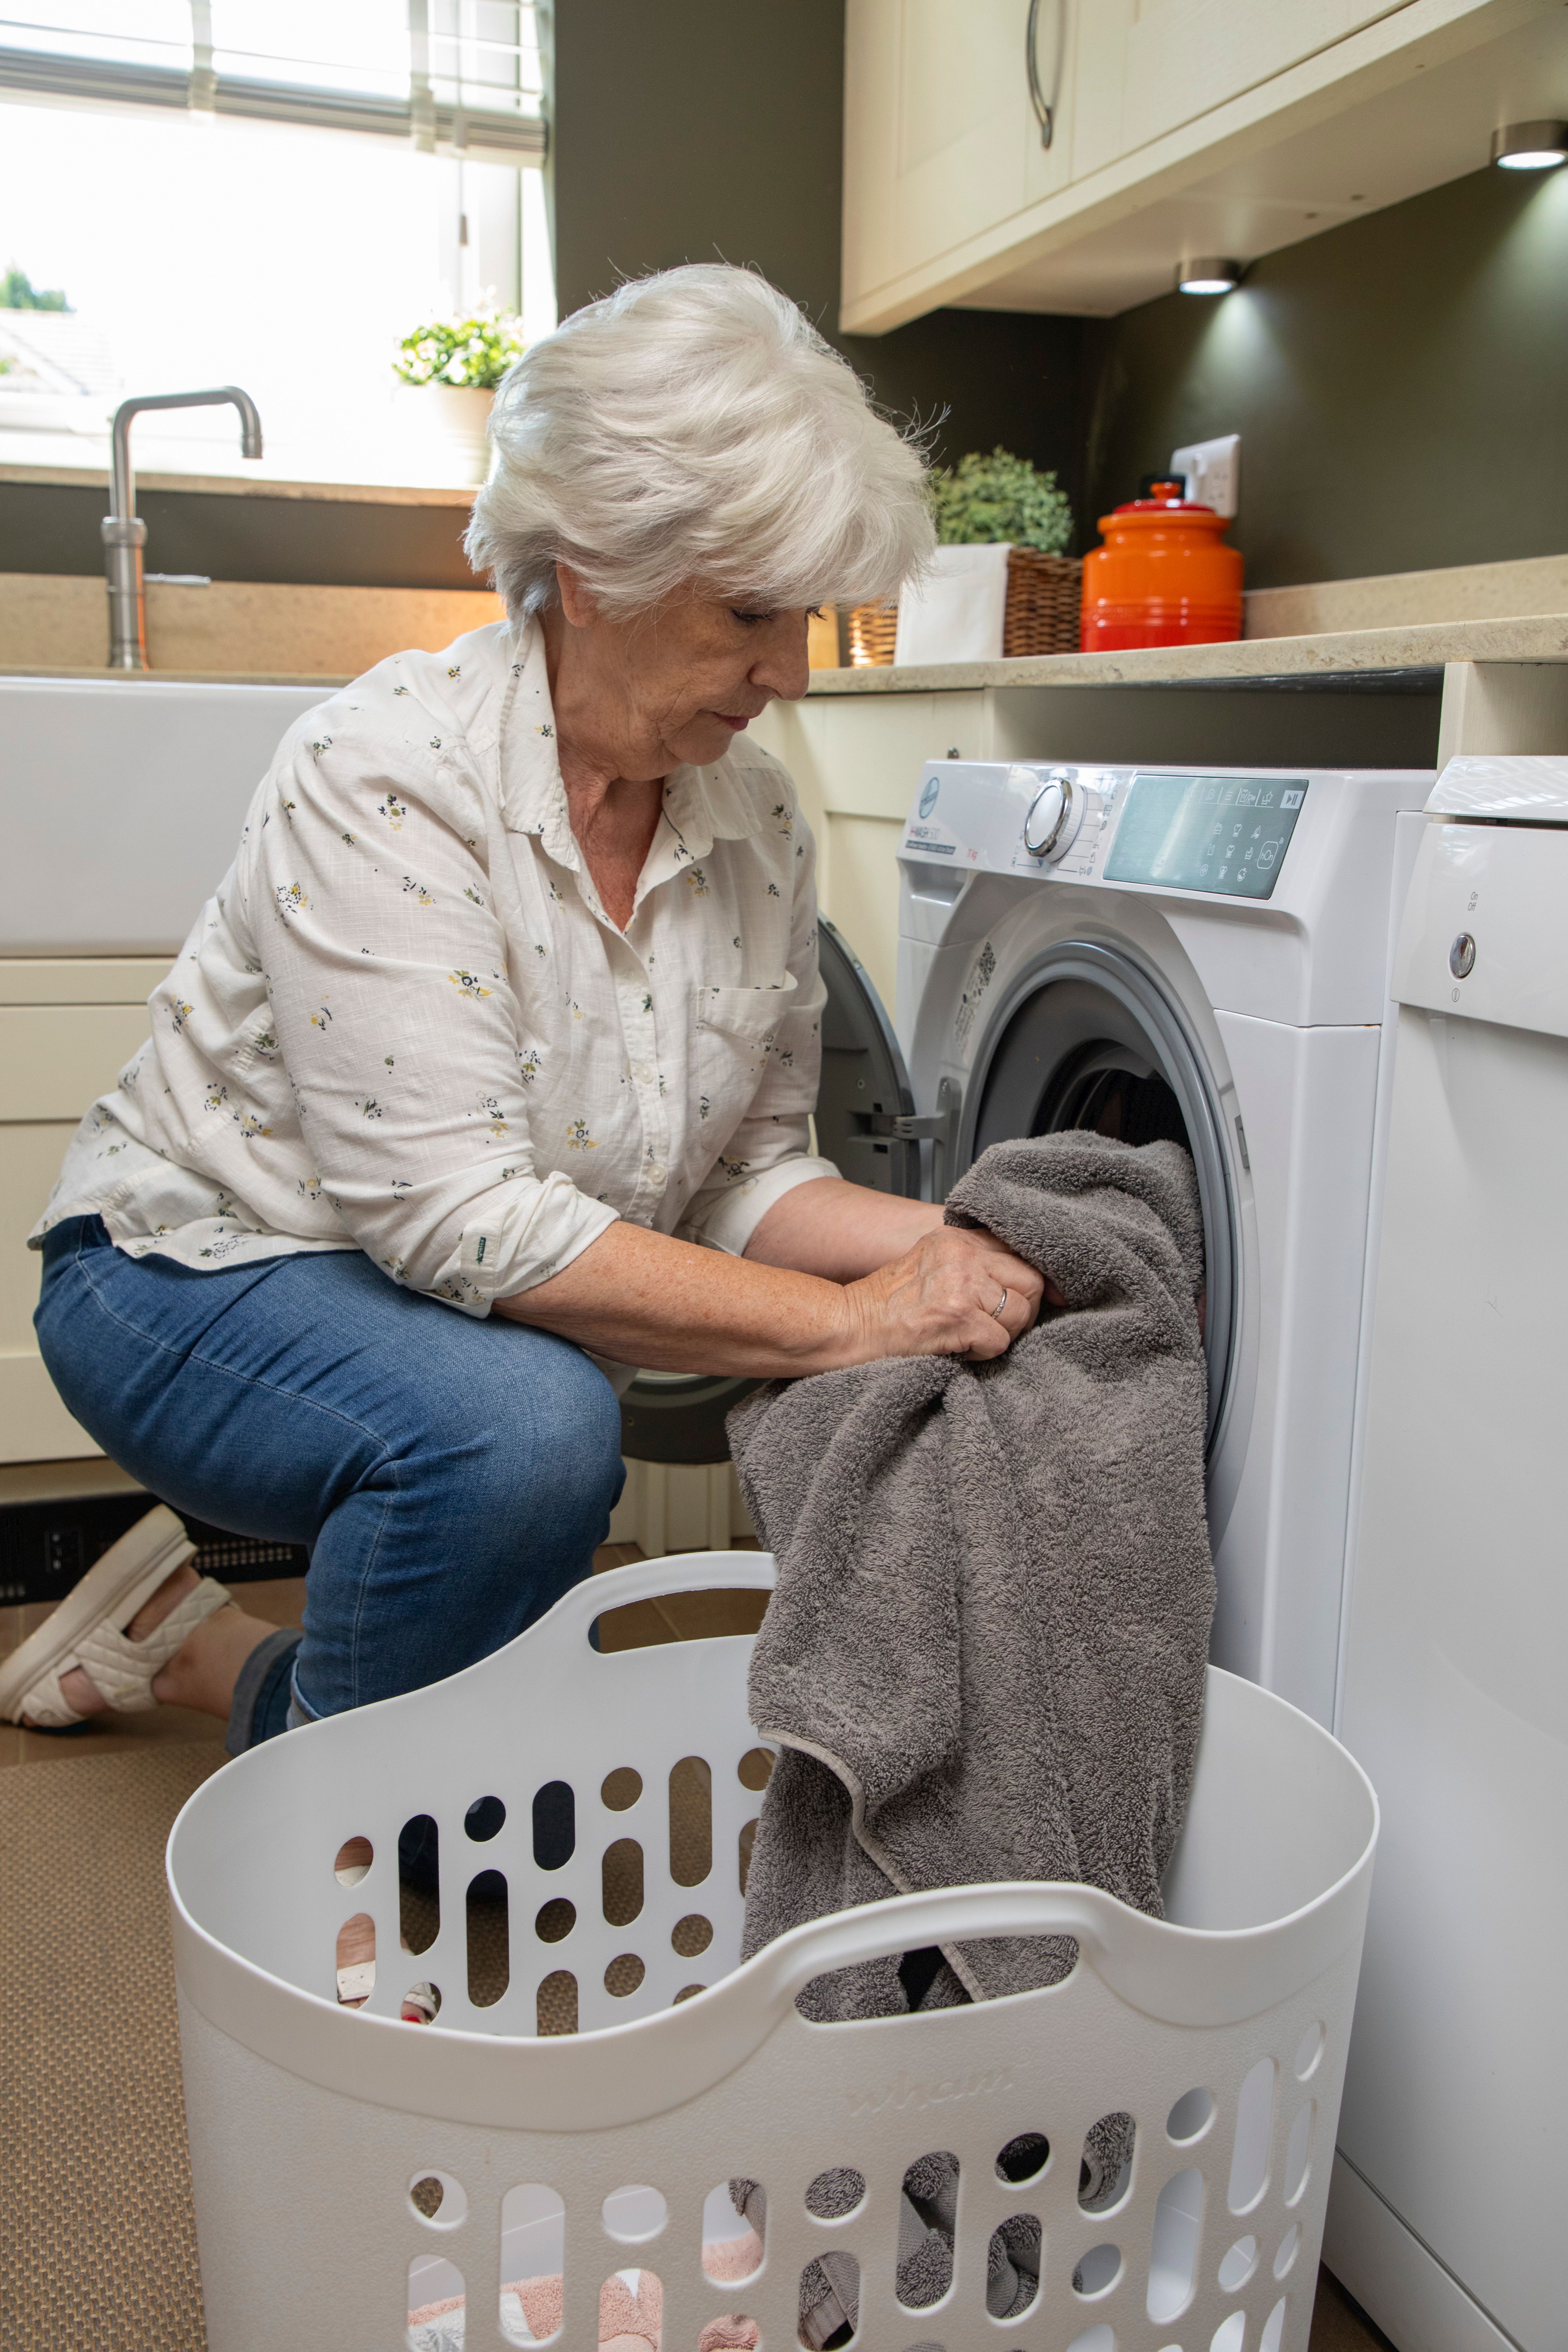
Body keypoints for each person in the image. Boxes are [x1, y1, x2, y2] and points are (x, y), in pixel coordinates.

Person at [4, 265, 1044, 1754]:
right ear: (594, 563)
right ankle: (338, 1852)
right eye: (750, 612)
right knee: (526, 1429)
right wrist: (850, 1326)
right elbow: (458, 1218)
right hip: (185, 1272)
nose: (788, 674)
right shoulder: (387, 768)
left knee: (505, 1771)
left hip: (455, 1319)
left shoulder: (749, 809)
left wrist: (964, 1248)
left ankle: (203, 1655)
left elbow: (752, 1175)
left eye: (805, 615)